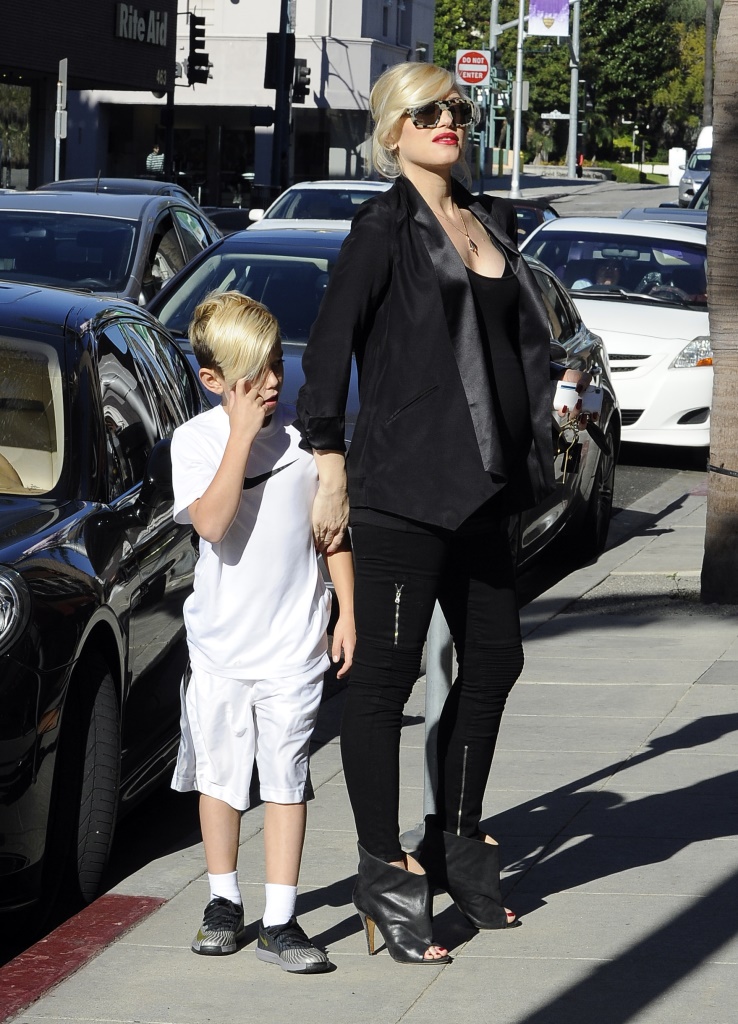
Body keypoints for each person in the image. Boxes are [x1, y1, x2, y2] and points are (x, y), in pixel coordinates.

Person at [295, 62, 590, 965]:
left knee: (496, 659)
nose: (447, 121)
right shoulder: (380, 230)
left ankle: (456, 839)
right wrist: (331, 464)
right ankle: (385, 872)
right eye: (426, 112)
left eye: (456, 108)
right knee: (383, 683)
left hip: (487, 489)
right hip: (404, 490)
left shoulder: (487, 218)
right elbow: (328, 351)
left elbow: (515, 340)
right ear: (393, 132)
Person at [170, 291, 355, 974]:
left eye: (276, 365)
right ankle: (223, 900)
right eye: (254, 374)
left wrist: (348, 611)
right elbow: (213, 523)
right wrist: (242, 435)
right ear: (213, 380)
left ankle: (281, 918)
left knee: (286, 777)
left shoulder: (307, 446)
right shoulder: (195, 442)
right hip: (221, 647)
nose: (273, 382)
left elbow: (333, 534)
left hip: (293, 646)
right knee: (221, 777)